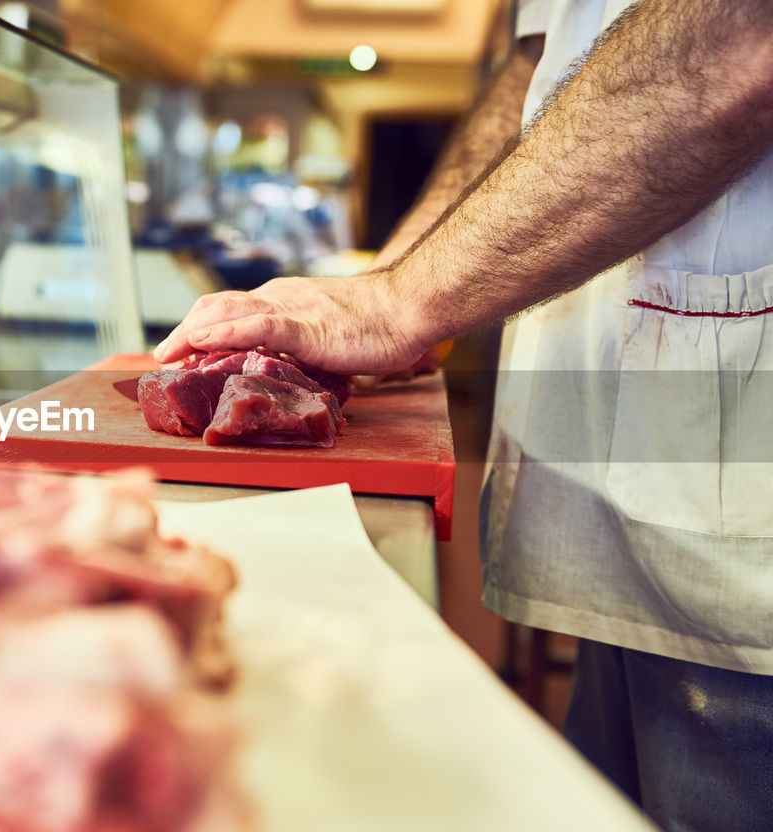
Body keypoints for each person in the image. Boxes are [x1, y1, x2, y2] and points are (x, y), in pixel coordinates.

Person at [155, 0, 773, 828]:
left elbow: (742, 41)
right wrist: (389, 278)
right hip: (622, 514)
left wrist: (401, 304)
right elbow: (536, 70)